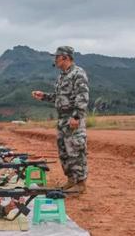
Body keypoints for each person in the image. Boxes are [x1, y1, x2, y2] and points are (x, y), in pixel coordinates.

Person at [31, 46, 89, 194]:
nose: (55, 60)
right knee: (64, 152)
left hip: (73, 118)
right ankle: (71, 180)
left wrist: (76, 116)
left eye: (57, 57)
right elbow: (59, 98)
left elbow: (82, 96)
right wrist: (43, 96)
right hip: (62, 120)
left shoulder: (78, 73)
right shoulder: (62, 76)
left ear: (65, 57)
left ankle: (80, 183)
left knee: (76, 150)